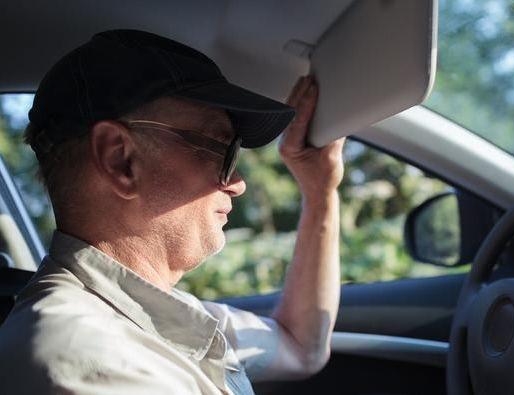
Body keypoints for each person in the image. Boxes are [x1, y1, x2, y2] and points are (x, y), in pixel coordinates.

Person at [0, 29, 343, 394]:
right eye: (220, 149)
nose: (238, 182)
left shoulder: (153, 310)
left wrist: (320, 193)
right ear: (121, 159)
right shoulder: (86, 358)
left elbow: (301, 347)